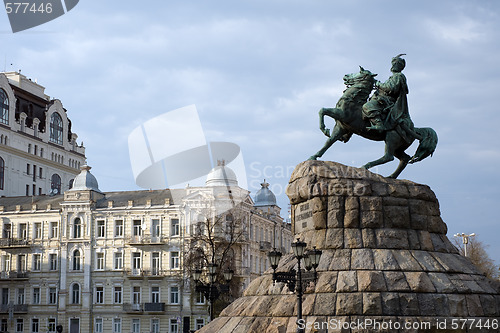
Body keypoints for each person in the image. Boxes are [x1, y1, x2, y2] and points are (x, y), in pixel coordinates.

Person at [362, 54, 410, 132]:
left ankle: (379, 125)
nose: (393, 66)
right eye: (393, 64)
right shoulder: (394, 76)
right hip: (383, 98)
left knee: (367, 106)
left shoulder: (398, 76)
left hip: (388, 101)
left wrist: (378, 84)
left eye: (395, 64)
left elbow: (390, 88)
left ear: (399, 66)